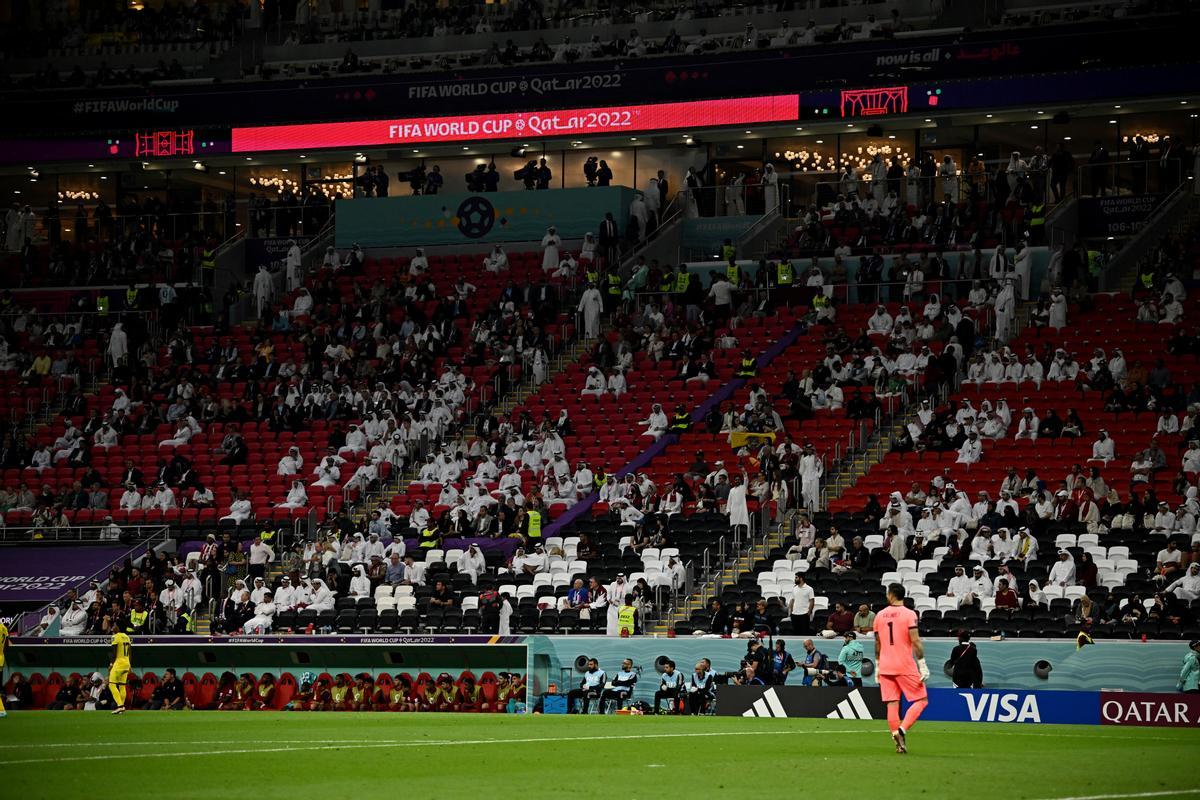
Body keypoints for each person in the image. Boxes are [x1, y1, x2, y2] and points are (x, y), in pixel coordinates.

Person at [873, 583, 928, 754]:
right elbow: (915, 641)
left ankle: (899, 745)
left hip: (885, 665)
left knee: (892, 704)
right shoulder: (909, 614)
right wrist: (922, 664)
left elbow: (877, 643)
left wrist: (877, 665)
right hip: (904, 664)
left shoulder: (879, 616)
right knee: (921, 700)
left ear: (891, 595)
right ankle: (902, 730)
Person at [108, 628, 133, 715]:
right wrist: (130, 665)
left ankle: (120, 706)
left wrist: (111, 664)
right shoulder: (126, 637)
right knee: (122, 686)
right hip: (126, 663)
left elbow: (114, 652)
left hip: (118, 664)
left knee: (111, 685)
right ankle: (122, 707)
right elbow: (130, 652)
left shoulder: (115, 637)